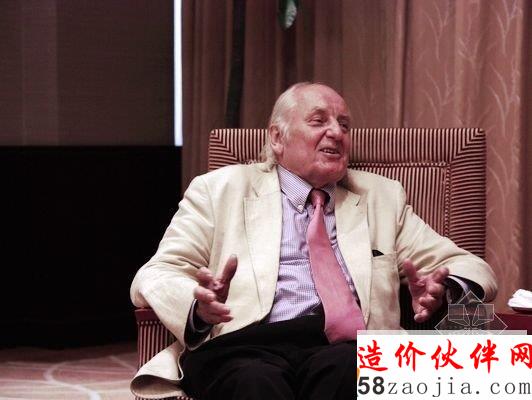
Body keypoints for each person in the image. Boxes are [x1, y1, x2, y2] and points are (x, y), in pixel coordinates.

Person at [130, 82, 497, 399]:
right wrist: (198, 308)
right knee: (255, 382)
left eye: (344, 124)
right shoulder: (218, 190)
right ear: (277, 137)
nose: (336, 132)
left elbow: (467, 265)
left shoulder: (383, 198)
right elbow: (157, 273)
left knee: (347, 371)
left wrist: (444, 287)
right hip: (248, 344)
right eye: (319, 121)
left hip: (349, 347)